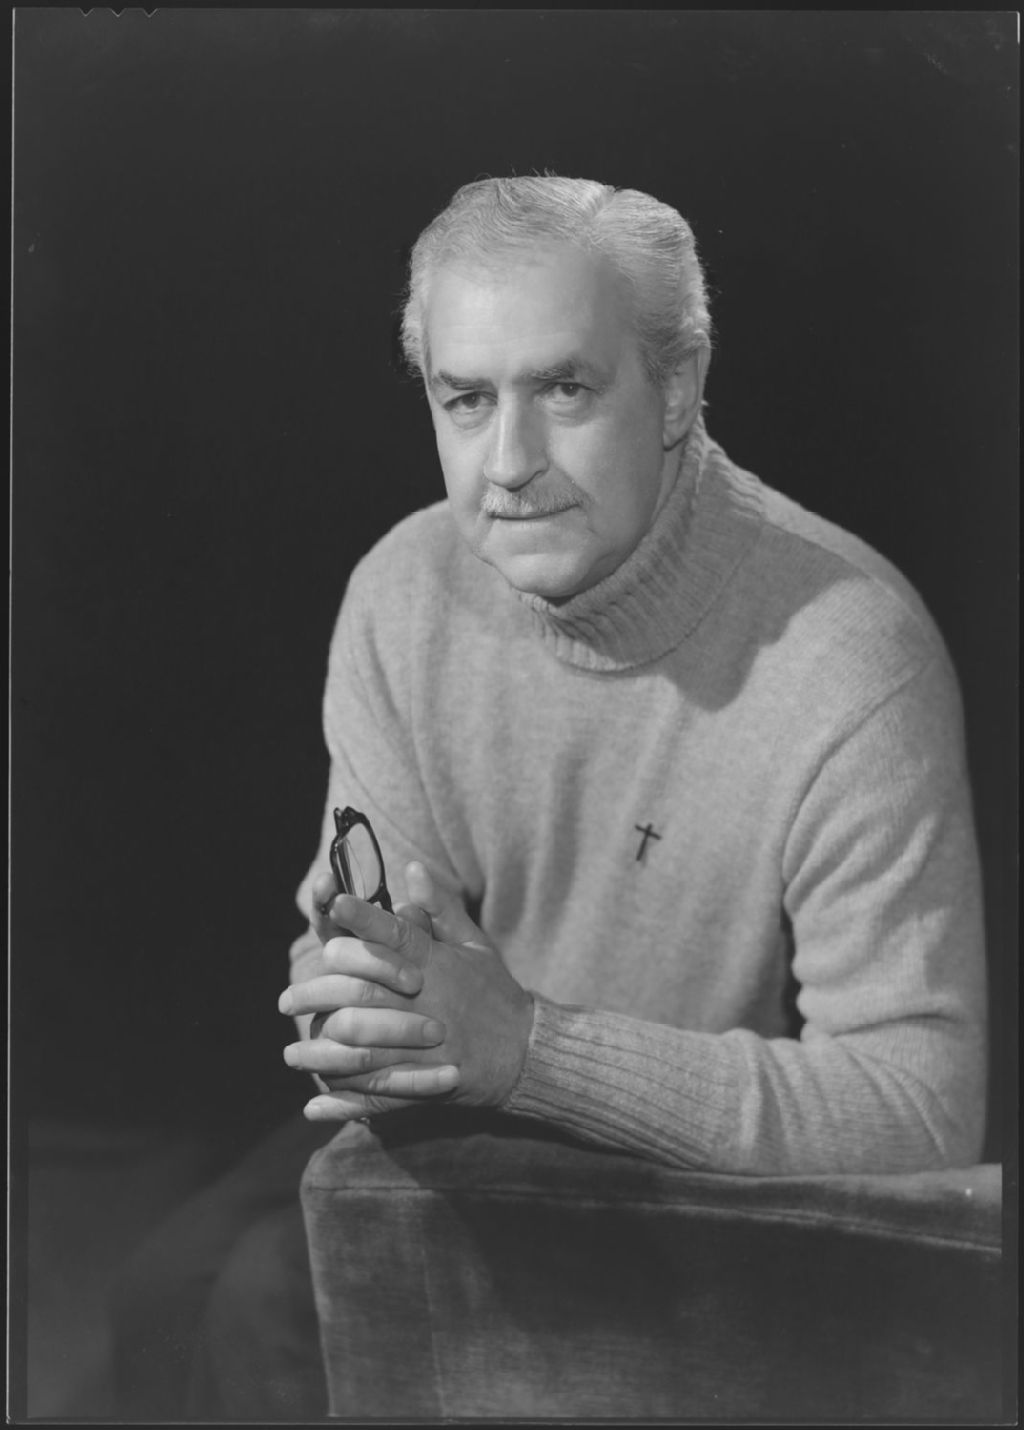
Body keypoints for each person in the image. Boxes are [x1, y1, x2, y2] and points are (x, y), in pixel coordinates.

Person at [111, 174, 987, 1419]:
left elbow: (918, 1107)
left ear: (676, 389)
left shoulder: (852, 655)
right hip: (464, 1118)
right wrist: (361, 1004)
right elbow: (368, 938)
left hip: (709, 1180)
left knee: (270, 1311)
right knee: (162, 1295)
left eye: (564, 390)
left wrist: (529, 1047)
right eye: (465, 400)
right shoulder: (403, 589)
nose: (508, 465)